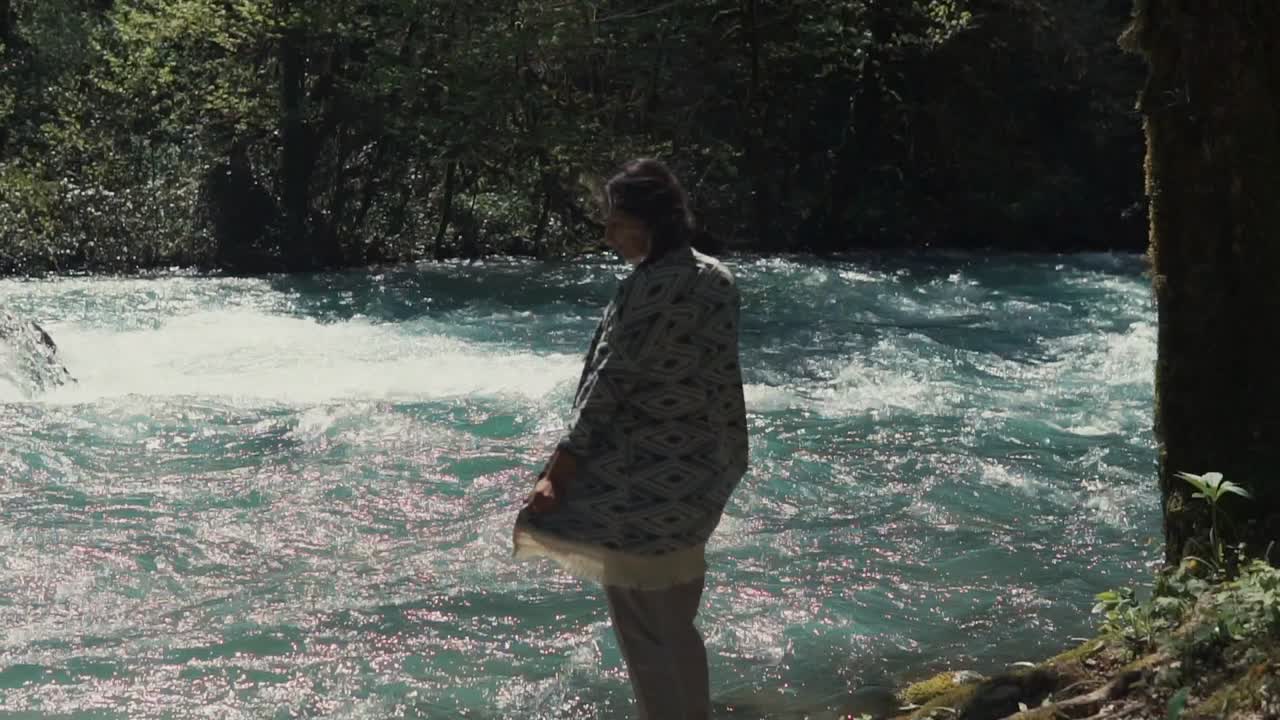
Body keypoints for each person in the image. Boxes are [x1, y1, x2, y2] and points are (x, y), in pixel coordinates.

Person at [512, 158, 749, 719]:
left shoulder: (649, 287)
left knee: (645, 633)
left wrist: (558, 471)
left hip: (640, 482)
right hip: (699, 475)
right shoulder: (718, 279)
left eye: (617, 220)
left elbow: (608, 385)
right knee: (675, 625)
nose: (608, 233)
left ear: (650, 222)